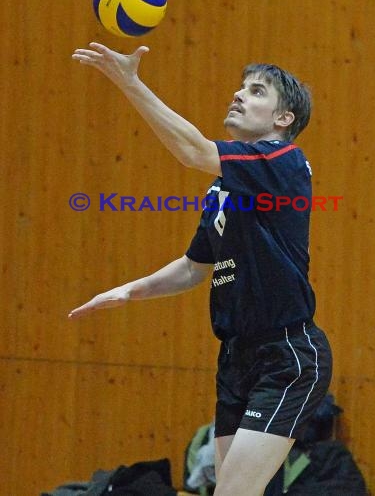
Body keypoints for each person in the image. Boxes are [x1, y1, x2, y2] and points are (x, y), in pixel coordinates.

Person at [69, 42, 333, 496]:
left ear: (282, 119)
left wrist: (131, 82)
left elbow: (192, 151)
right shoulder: (223, 189)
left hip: (286, 354)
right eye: (240, 87)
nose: (238, 95)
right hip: (236, 358)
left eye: (256, 91)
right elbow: (194, 267)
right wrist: (130, 290)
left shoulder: (283, 162)